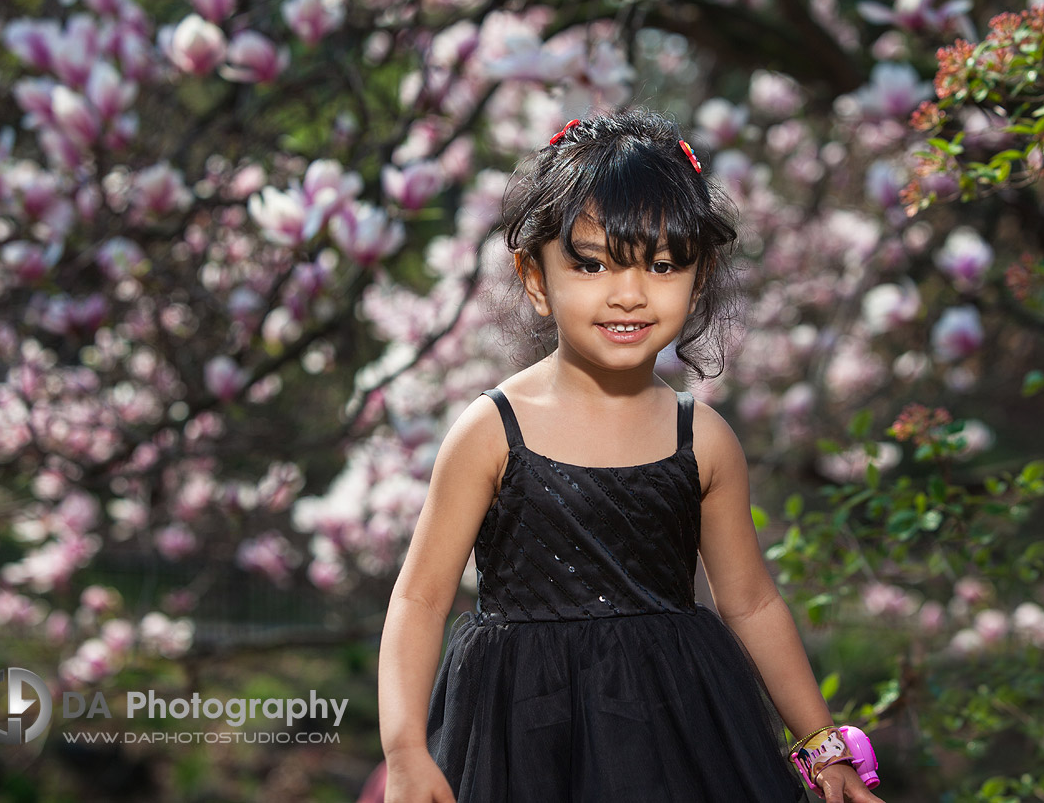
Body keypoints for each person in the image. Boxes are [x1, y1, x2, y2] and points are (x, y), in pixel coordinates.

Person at [376, 109, 887, 803]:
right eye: (590, 263)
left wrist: (823, 743)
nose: (629, 292)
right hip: (523, 733)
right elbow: (419, 595)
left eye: (664, 263)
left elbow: (752, 600)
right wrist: (405, 748)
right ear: (535, 276)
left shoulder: (701, 439)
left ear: (698, 277)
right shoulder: (492, 430)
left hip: (679, 732)